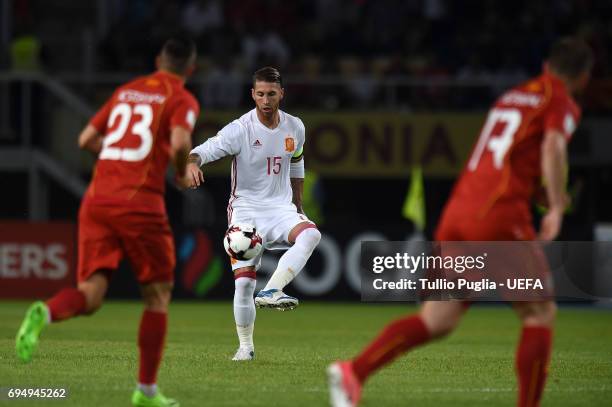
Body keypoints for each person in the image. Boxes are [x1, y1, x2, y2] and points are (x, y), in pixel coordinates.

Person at [327, 37, 593, 407]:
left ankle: (354, 372)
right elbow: (552, 146)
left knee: (438, 318)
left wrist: (540, 194)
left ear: (547, 65)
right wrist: (557, 208)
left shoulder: (512, 96)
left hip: (460, 212)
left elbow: (510, 159)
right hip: (498, 215)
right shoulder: (559, 99)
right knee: (539, 312)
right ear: (582, 78)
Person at [15, 37, 200, 407]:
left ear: (157, 59)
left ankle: (46, 312)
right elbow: (180, 145)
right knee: (158, 296)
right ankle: (146, 392)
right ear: (189, 69)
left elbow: (86, 139)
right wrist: (181, 172)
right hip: (139, 204)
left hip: (97, 200)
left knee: (92, 294)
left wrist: (120, 158)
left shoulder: (126, 91)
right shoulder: (182, 98)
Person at [186, 66, 321, 361]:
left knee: (311, 234)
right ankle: (245, 347)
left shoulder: (295, 127)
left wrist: (297, 202)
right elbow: (208, 148)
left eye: (271, 94)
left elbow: (296, 160)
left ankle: (272, 290)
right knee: (245, 282)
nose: (266, 100)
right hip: (245, 211)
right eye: (260, 94)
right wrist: (192, 161)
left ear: (281, 94)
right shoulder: (241, 129)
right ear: (253, 95)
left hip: (280, 208)